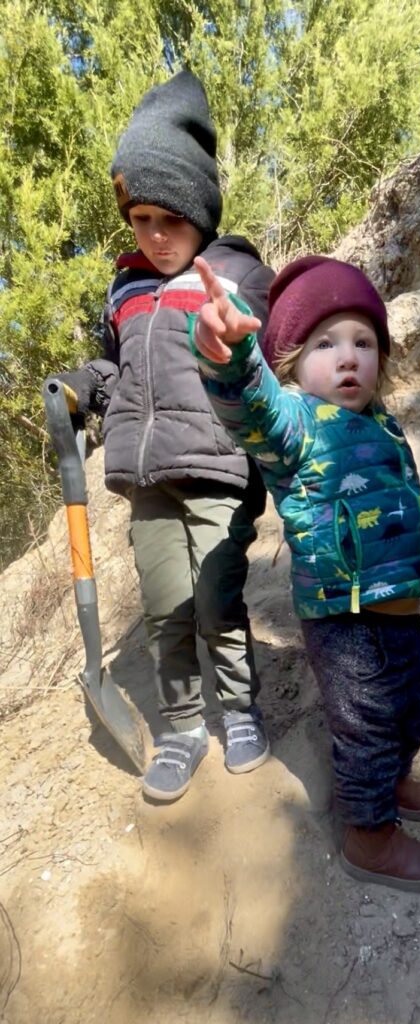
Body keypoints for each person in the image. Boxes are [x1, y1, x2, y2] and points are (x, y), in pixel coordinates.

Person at [188, 252, 420, 891]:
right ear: (292, 364)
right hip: (343, 616)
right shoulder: (297, 423)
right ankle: (369, 836)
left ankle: (389, 780)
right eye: (326, 342)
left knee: (413, 702)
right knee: (363, 720)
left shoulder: (385, 427)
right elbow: (252, 409)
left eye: (364, 342)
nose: (348, 356)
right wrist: (230, 359)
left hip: (399, 605)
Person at [49, 70, 274, 802]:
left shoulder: (236, 272)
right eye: (140, 218)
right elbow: (118, 368)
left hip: (217, 466)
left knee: (215, 597)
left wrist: (231, 340)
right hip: (146, 478)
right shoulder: (124, 289)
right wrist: (85, 382)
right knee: (165, 607)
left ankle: (238, 709)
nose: (154, 234)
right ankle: (182, 727)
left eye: (169, 218)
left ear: (200, 211)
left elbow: (262, 356)